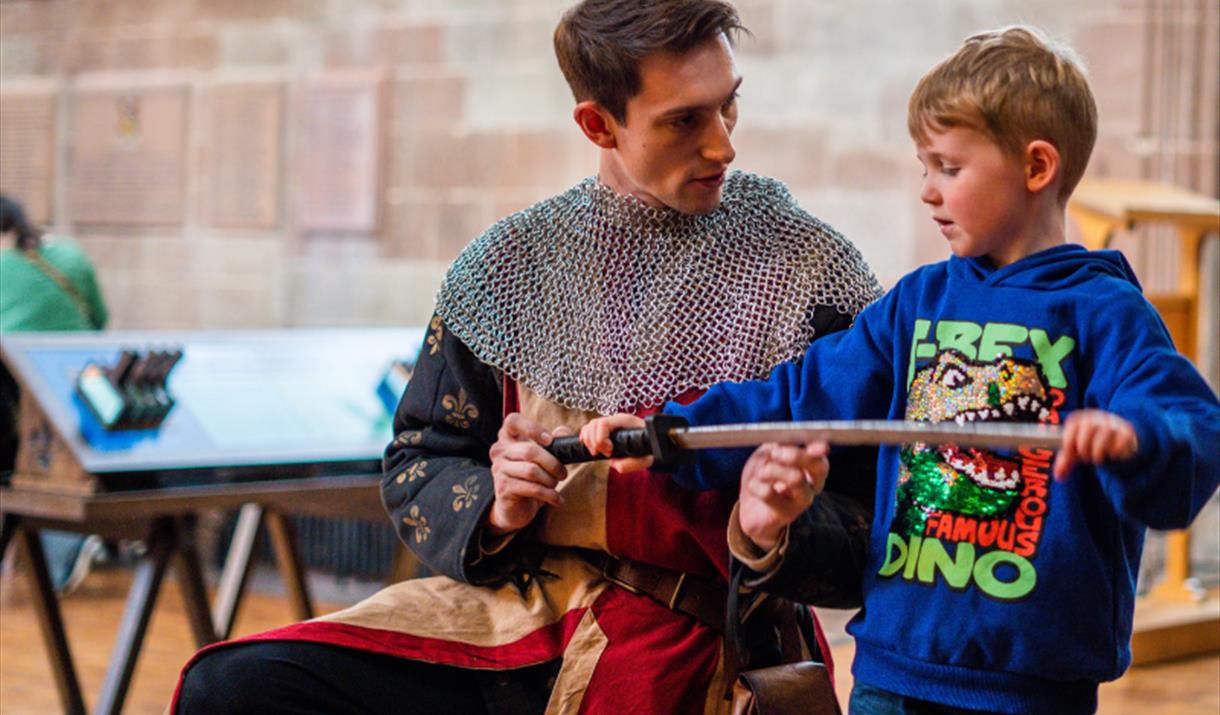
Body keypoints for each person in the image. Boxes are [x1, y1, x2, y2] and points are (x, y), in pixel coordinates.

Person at [171, 1, 882, 713]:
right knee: (234, 690)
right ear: (598, 123)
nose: (723, 145)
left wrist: (771, 527)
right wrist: (498, 503)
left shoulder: (809, 271)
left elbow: (873, 521)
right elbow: (421, 459)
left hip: (717, 638)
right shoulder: (508, 269)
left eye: (729, 107)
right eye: (684, 120)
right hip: (521, 618)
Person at [580, 26, 1220, 715]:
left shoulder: (1104, 312)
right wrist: (669, 432)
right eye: (924, 167)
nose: (927, 191)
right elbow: (799, 397)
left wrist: (1134, 440)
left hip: (1030, 686)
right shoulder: (917, 302)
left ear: (1037, 168)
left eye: (948, 167)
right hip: (892, 668)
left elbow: (1191, 427)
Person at [0, 194, 109, 592]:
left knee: (18, 471)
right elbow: (99, 320)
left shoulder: (3, 266)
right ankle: (61, 555)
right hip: (76, 384)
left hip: (13, 391)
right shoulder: (71, 256)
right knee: (62, 473)